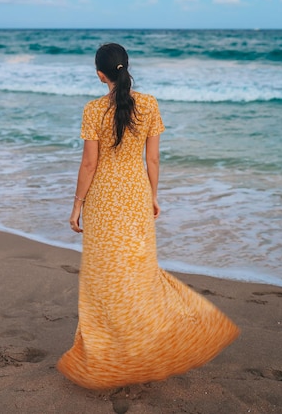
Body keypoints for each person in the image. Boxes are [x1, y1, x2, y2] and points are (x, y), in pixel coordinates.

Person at [57, 43, 239, 390]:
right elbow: (152, 160)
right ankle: (144, 343)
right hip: (136, 196)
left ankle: (106, 352)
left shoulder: (92, 110)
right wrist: (153, 196)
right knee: (138, 271)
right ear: (126, 68)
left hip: (104, 200)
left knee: (103, 275)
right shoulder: (150, 104)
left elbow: (89, 164)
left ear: (100, 75)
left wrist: (77, 204)